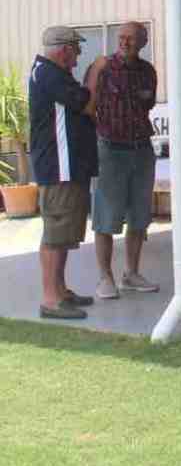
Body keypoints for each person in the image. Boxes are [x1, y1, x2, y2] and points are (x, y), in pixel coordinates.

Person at [84, 22, 159, 299]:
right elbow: (87, 104)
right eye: (122, 37)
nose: (125, 42)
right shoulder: (102, 67)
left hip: (141, 149)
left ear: (143, 42)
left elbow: (147, 104)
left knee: (139, 215)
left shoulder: (148, 72)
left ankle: (132, 273)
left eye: (131, 38)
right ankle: (105, 278)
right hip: (110, 150)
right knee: (107, 215)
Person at [28, 26, 99, 320]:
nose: (79, 55)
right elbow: (89, 105)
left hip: (68, 167)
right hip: (60, 168)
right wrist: (97, 73)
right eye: (76, 48)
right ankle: (50, 299)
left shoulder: (51, 74)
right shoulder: (50, 75)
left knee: (65, 232)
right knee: (56, 234)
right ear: (63, 50)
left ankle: (60, 290)